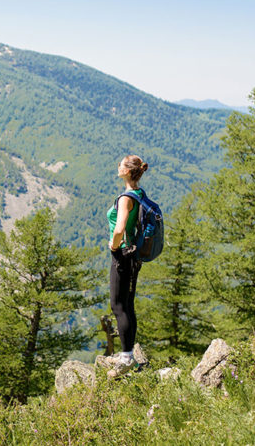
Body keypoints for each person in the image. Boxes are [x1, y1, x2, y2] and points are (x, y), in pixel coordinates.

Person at [105, 155, 148, 378]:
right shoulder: (139, 193)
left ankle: (126, 358)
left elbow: (119, 228)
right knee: (128, 305)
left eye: (121, 164)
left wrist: (113, 247)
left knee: (118, 305)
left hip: (122, 255)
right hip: (135, 255)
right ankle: (129, 354)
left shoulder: (125, 198)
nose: (118, 166)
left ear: (128, 172)